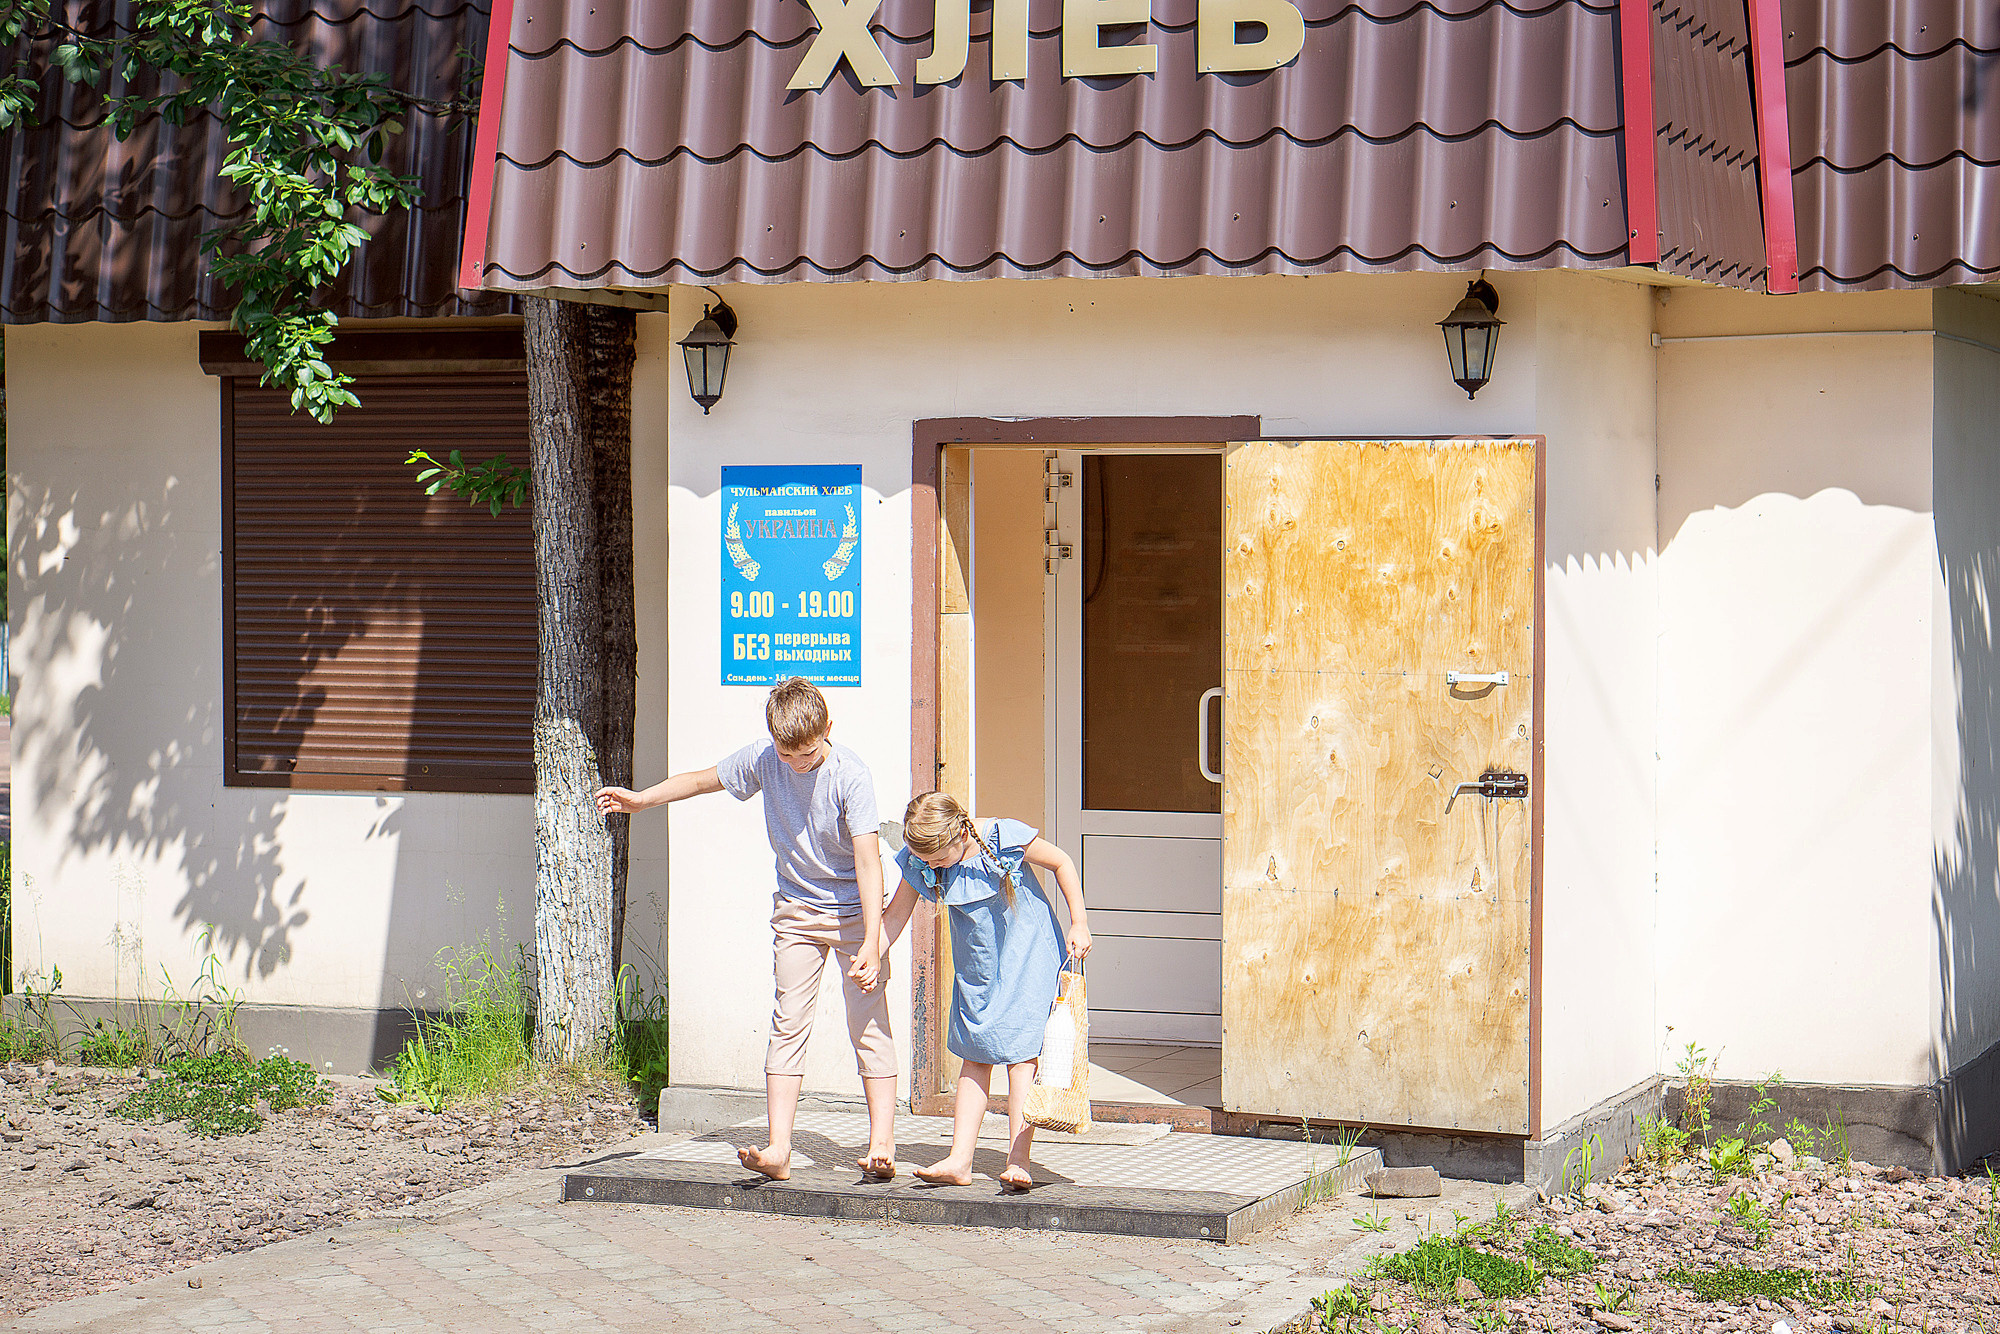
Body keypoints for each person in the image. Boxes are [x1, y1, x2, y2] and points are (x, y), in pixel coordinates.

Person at [594, 677, 896, 1181]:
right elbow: (701, 780)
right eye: (787, 753)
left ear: (828, 730)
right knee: (787, 1022)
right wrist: (643, 800)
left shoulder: (851, 775)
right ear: (772, 739)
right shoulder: (763, 759)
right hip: (797, 909)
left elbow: (869, 862)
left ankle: (882, 1145)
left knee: (868, 1023)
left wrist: (871, 939)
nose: (798, 762)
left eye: (809, 752)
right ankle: (779, 1148)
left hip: (852, 914)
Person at [881, 792, 1092, 1190]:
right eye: (925, 860)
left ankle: (1018, 1160)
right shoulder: (925, 860)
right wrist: (871, 955)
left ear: (961, 833)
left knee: (1021, 1059)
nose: (931, 866)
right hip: (979, 970)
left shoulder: (1001, 837)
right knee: (974, 1055)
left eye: (938, 859)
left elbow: (1062, 861)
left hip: (1027, 957)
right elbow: (896, 915)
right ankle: (960, 1160)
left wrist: (1078, 921)